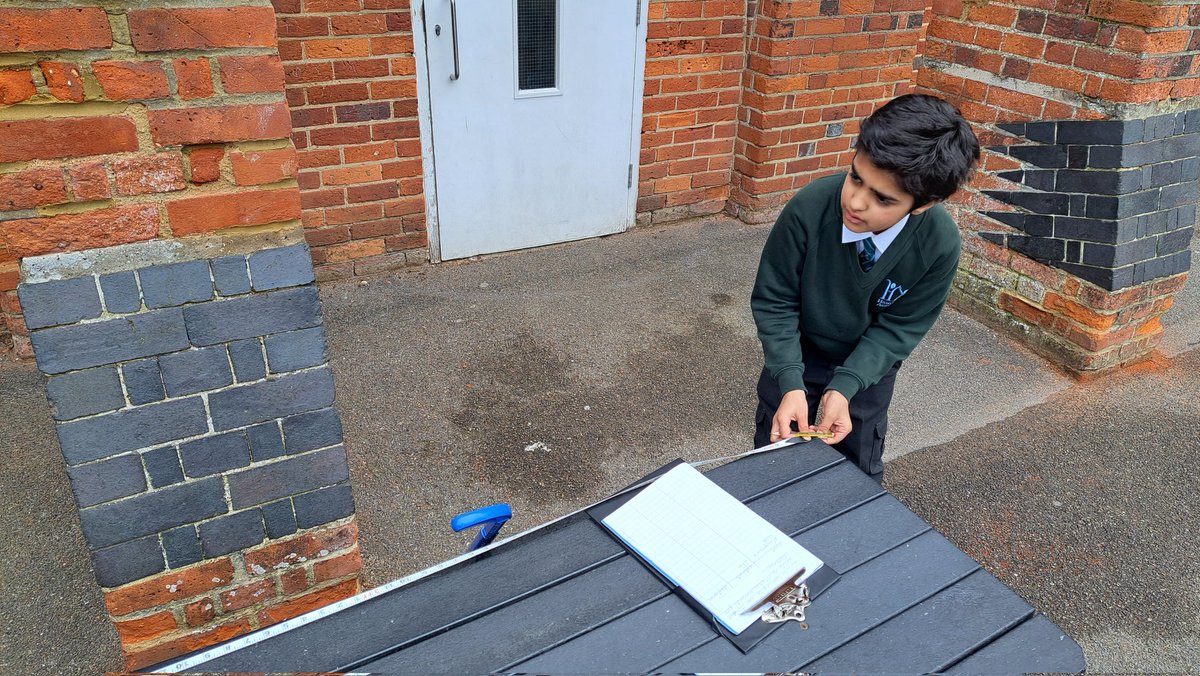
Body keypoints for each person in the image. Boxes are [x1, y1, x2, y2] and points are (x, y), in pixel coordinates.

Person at [751, 93, 980, 483]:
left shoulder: (938, 243)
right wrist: (789, 381)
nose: (856, 202)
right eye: (856, 177)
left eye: (883, 199)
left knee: (856, 468)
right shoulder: (810, 207)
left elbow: (898, 329)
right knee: (772, 462)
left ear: (923, 204)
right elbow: (775, 300)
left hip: (869, 365)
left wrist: (846, 386)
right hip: (796, 349)